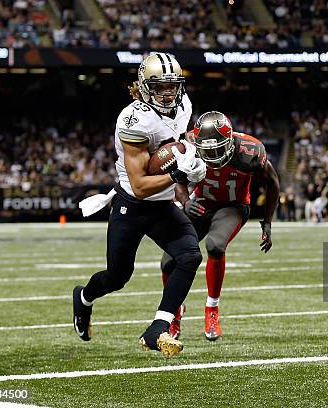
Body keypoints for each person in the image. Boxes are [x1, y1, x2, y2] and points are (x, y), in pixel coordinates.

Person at [72, 53, 207, 357]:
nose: (169, 93)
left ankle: (157, 328)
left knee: (189, 256)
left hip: (163, 206)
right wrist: (178, 173)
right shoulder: (134, 119)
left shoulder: (183, 106)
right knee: (117, 277)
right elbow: (140, 186)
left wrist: (192, 161)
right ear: (145, 86)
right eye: (161, 86)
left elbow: (180, 141)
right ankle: (84, 297)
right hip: (131, 205)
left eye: (173, 85)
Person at [160, 111, 280, 341]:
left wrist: (267, 221)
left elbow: (272, 182)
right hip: (201, 204)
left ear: (230, 142)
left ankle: (212, 309)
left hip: (232, 207)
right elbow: (178, 181)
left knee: (215, 245)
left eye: (218, 149)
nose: (213, 156)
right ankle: (175, 311)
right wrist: (186, 202)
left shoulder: (250, 151)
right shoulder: (188, 147)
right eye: (208, 151)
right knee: (168, 261)